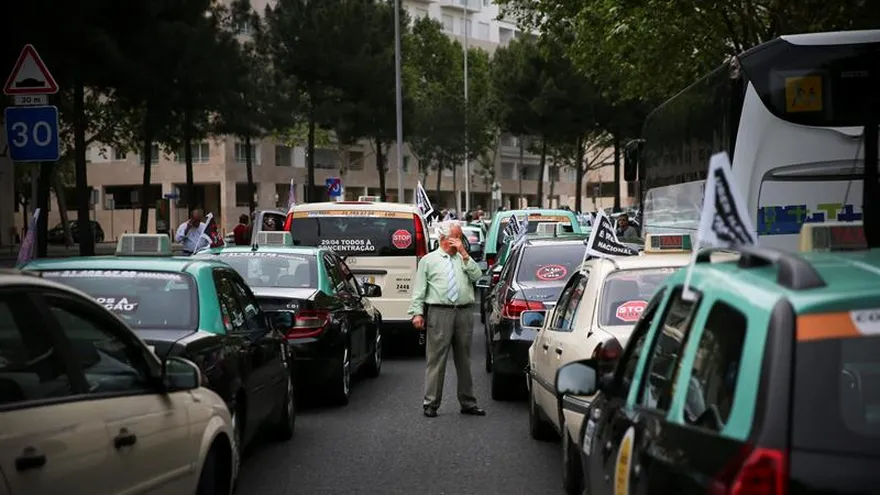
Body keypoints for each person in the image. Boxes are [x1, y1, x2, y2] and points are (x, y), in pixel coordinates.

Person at [408, 221, 486, 418]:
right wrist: (417, 313)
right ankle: (431, 403)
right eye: (457, 236)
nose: (460, 240)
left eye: (460, 237)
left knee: (464, 360)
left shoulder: (463, 258)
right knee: (436, 359)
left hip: (464, 312)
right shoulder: (428, 260)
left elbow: (477, 276)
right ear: (445, 238)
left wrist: (465, 254)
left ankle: (468, 402)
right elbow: (419, 290)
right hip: (439, 312)